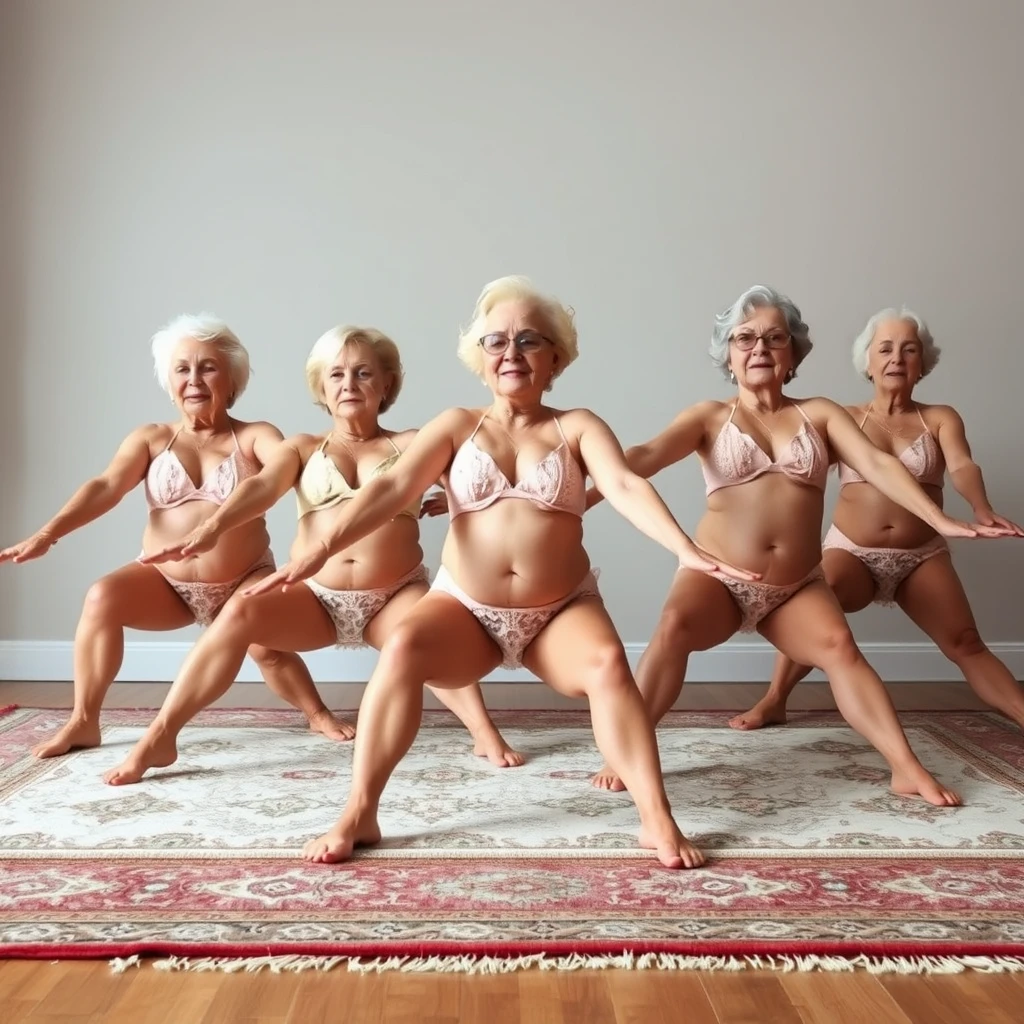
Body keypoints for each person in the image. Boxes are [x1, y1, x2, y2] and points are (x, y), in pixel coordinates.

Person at [247, 275, 762, 869]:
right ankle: (359, 811)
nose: (511, 353)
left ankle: (655, 818)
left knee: (608, 663)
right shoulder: (455, 426)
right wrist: (318, 549)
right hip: (467, 608)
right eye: (496, 342)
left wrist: (685, 549)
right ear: (479, 358)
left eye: (528, 341)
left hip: (558, 611)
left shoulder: (579, 426)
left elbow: (622, 484)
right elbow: (391, 489)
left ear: (555, 359)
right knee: (405, 646)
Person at [586, 285, 1011, 800]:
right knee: (674, 627)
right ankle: (625, 750)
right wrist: (582, 494)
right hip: (718, 576)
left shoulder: (822, 414)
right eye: (744, 339)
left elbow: (878, 465)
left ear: (793, 353)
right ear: (728, 353)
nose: (759, 348)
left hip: (795, 585)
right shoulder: (709, 417)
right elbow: (644, 455)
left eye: (773, 338)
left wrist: (939, 518)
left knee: (840, 648)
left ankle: (905, 766)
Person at [102, 325, 519, 784]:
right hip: (315, 598)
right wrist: (213, 525)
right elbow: (260, 487)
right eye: (336, 374)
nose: (349, 384)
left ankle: (483, 730)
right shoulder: (301, 448)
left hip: (394, 594)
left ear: (386, 384)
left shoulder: (413, 443)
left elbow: (484, 482)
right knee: (238, 613)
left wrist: (459, 498)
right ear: (321, 386)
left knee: (427, 629)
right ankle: (160, 735)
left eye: (363, 373)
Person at [0, 314, 350, 758]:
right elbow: (106, 486)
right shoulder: (152, 438)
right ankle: (83, 721)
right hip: (167, 584)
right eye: (183, 369)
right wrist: (50, 533)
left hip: (242, 577)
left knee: (268, 653)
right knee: (100, 597)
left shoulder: (257, 436)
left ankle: (317, 714)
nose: (194, 379)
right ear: (169, 379)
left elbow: (276, 482)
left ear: (231, 378)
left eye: (208, 367)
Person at [729, 307, 1024, 731]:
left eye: (909, 350)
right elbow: (794, 471)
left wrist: (981, 508)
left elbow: (961, 466)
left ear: (923, 363)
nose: (896, 359)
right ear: (866, 362)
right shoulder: (842, 418)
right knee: (815, 612)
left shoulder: (940, 417)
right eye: (885, 349)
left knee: (966, 642)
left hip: (920, 556)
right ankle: (775, 699)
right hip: (852, 550)